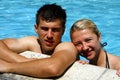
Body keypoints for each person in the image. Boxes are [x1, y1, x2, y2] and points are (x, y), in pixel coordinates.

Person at [0, 3, 78, 78]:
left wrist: (8, 67)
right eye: (45, 29)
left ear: (63, 31)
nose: (49, 35)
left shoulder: (67, 47)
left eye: (55, 30)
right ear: (36, 28)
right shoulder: (32, 43)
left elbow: (52, 68)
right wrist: (21, 60)